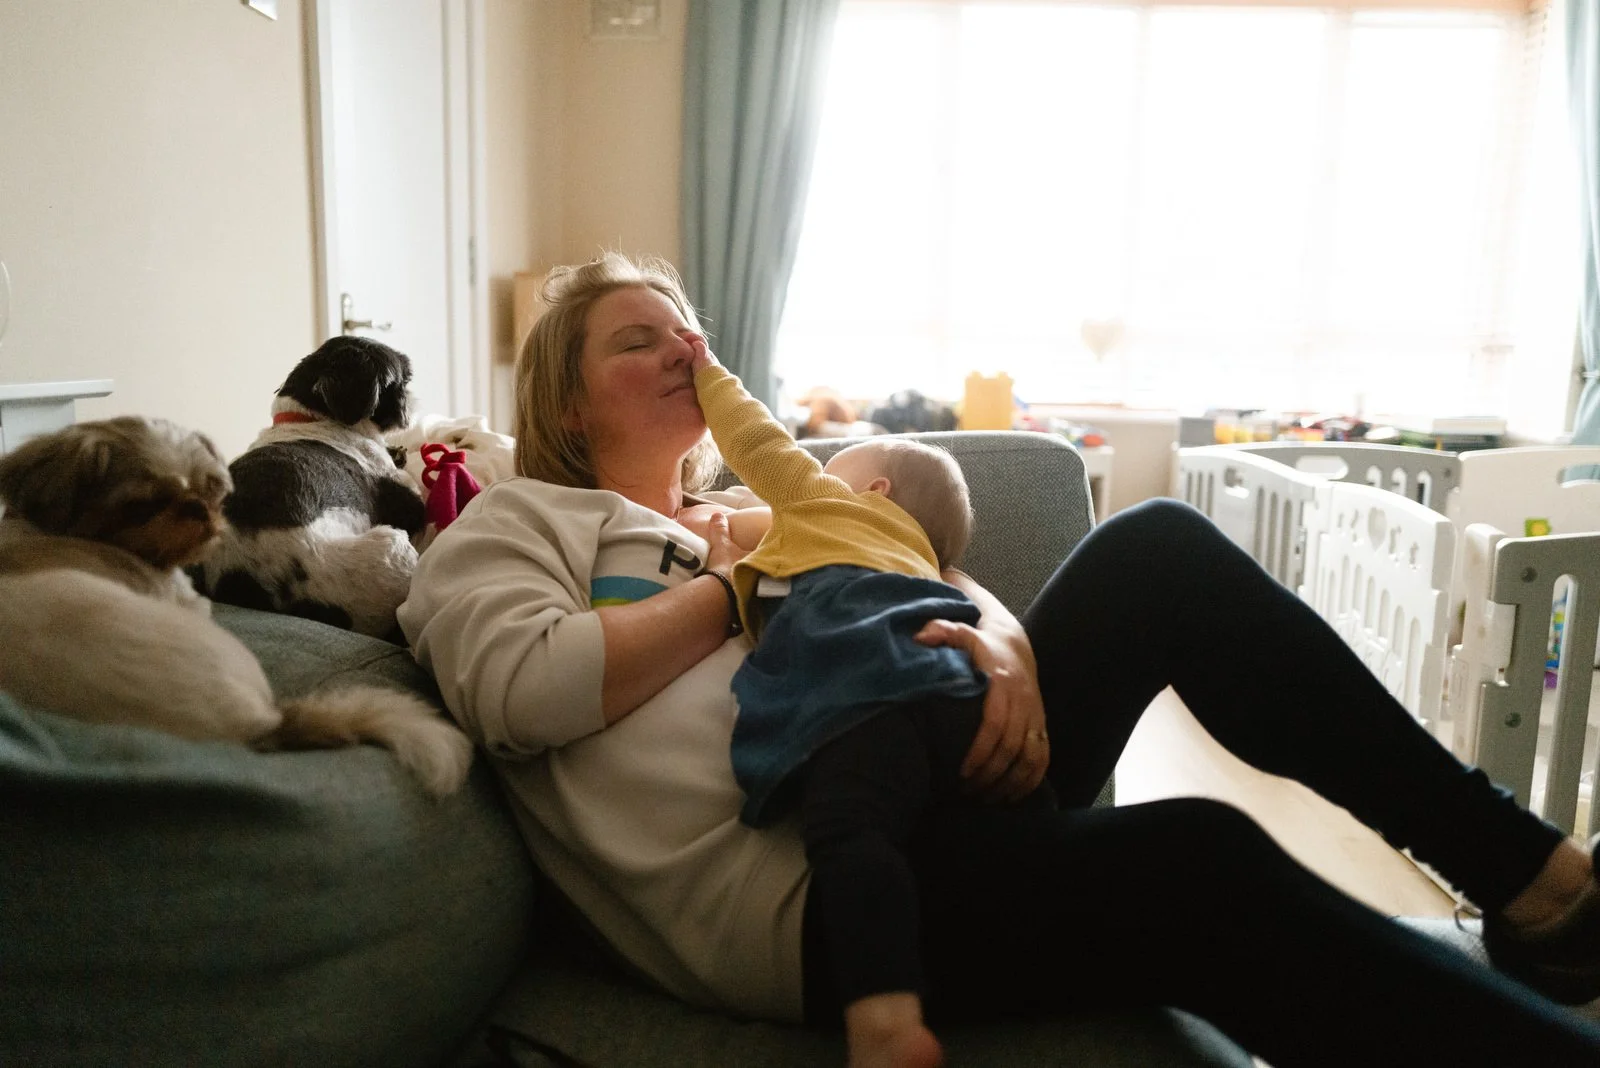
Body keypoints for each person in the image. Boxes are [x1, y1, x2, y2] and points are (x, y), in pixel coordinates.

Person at [398, 252, 1600, 1068]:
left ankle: (1540, 888)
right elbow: (528, 691)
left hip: (940, 767)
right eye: (633, 342)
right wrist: (738, 584)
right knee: (1197, 857)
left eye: (684, 332)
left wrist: (1010, 642)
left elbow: (904, 556)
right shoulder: (512, 528)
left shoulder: (744, 511)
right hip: (820, 885)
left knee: (1158, 550)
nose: (681, 351)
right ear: (563, 405)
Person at [691, 343, 1051, 1066]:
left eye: (830, 473)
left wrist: (708, 372)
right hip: (958, 686)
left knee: (849, 832)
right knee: (1001, 818)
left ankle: (885, 1024)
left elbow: (756, 438)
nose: (811, 486)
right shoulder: (915, 551)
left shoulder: (822, 505)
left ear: (873, 490)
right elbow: (753, 530)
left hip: (873, 692)